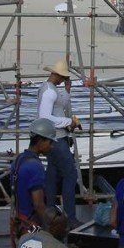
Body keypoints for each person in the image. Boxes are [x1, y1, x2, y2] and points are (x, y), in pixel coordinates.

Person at [37, 59, 84, 224]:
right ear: (57, 75)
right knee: (70, 175)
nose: (64, 79)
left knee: (52, 174)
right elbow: (45, 117)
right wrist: (68, 122)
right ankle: (70, 218)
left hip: (52, 138)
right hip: (57, 138)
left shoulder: (48, 88)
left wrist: (67, 90)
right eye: (63, 77)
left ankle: (50, 212)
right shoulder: (50, 92)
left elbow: (58, 104)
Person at [9, 118, 55, 244]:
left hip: (18, 221)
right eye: (50, 142)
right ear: (40, 140)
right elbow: (38, 205)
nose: (52, 146)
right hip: (30, 225)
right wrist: (48, 230)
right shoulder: (35, 166)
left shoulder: (18, 160)